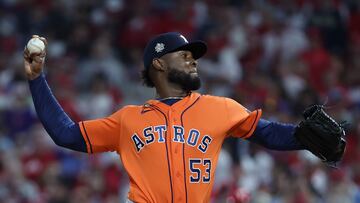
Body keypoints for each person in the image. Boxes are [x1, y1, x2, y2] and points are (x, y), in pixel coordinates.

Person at [24, 32, 342, 203]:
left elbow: (268, 133)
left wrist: (302, 137)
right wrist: (37, 79)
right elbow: (65, 134)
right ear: (159, 65)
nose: (193, 61)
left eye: (194, 57)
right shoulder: (128, 119)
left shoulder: (221, 108)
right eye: (185, 55)